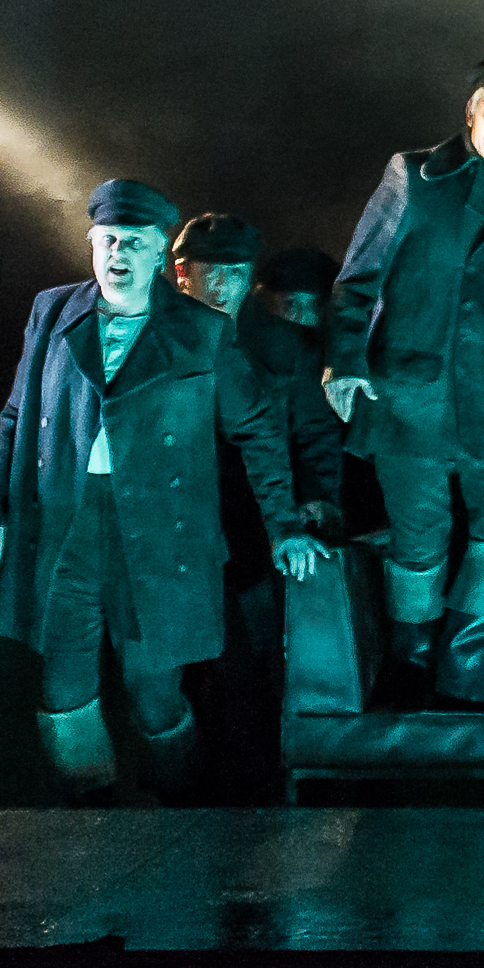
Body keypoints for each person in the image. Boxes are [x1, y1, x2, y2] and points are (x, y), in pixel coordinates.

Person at [0, 180, 319, 800]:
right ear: (91, 244)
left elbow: (258, 430)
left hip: (161, 539)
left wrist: (285, 525)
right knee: (62, 691)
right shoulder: (54, 311)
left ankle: (180, 805)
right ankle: (92, 812)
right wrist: (1, 514)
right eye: (108, 240)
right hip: (68, 528)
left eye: (134, 244)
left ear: (159, 256)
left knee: (155, 693)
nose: (118, 254)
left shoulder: (201, 330)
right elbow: (15, 416)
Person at [324, 58, 484, 710]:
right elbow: (359, 277)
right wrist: (345, 359)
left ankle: (464, 670)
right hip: (415, 394)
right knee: (419, 537)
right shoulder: (414, 176)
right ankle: (409, 669)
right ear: (470, 111)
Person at [170, 212, 339, 801]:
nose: (222, 285)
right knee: (182, 661)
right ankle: (196, 780)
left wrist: (317, 496)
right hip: (175, 521)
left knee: (258, 652)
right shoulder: (149, 336)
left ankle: (253, 778)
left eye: (236, 273)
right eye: (209, 271)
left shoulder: (283, 346)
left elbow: (313, 433)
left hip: (258, 518)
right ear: (180, 273)